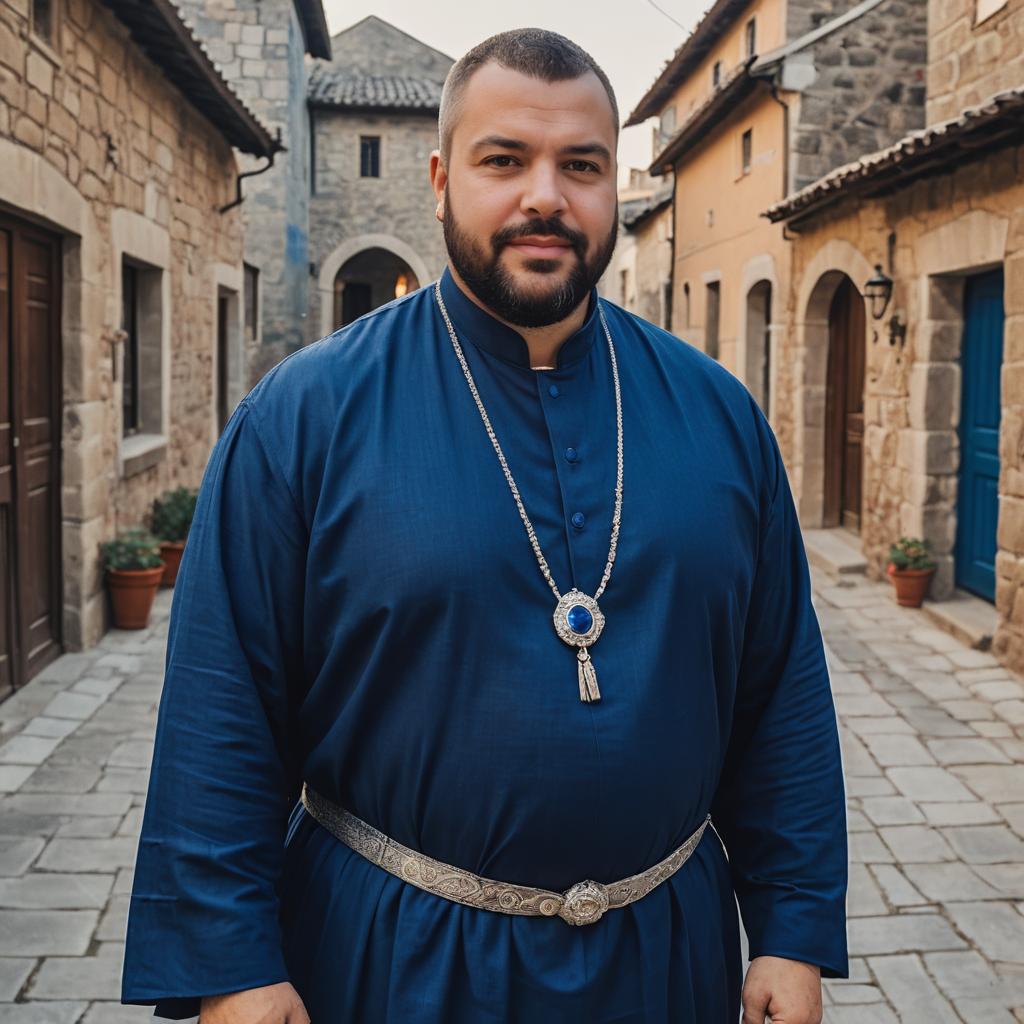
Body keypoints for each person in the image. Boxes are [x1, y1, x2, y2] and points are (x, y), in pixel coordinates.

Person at [121, 27, 848, 1024]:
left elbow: (782, 699)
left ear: (612, 184)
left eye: (581, 166)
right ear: (439, 176)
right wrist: (232, 964)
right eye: (504, 160)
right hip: (390, 962)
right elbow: (221, 706)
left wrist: (793, 926)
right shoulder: (302, 419)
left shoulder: (718, 417)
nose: (544, 194)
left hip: (664, 962)